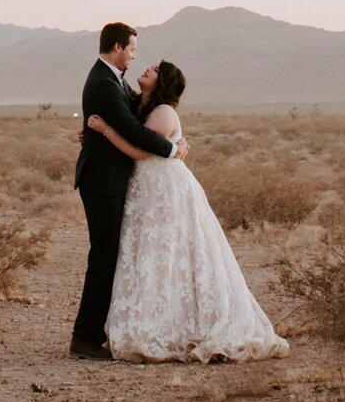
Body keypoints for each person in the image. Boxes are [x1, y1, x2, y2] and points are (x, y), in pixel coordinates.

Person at [86, 59, 288, 362]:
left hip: (165, 190)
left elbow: (140, 151)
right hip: (147, 191)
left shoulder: (163, 112)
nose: (146, 69)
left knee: (170, 251)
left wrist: (104, 131)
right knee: (148, 253)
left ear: (163, 82)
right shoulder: (138, 105)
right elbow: (131, 130)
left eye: (154, 70)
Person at [69, 22, 178, 360]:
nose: (134, 56)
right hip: (102, 182)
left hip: (110, 180)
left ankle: (95, 330)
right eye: (131, 50)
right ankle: (84, 337)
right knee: (103, 257)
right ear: (117, 47)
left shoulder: (114, 80)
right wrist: (173, 149)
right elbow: (131, 129)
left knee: (109, 256)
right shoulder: (102, 82)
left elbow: (138, 110)